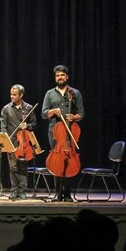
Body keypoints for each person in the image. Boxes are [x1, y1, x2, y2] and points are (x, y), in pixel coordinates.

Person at [41, 64, 84, 202]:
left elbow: (82, 113)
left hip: (71, 132)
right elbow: (43, 113)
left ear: (67, 77)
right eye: (57, 75)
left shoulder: (75, 93)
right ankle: (57, 193)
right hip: (55, 132)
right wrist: (53, 111)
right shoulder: (49, 93)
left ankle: (68, 193)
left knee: (70, 162)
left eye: (62, 75)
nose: (60, 77)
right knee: (57, 162)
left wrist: (73, 117)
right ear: (55, 78)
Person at [0, 84, 37, 200]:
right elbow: (3, 126)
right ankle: (14, 190)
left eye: (14, 95)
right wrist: (7, 140)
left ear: (21, 95)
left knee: (23, 167)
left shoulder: (29, 108)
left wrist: (28, 125)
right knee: (13, 167)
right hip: (12, 141)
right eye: (11, 94)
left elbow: (34, 124)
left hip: (24, 142)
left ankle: (23, 190)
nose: (12, 96)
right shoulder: (6, 108)